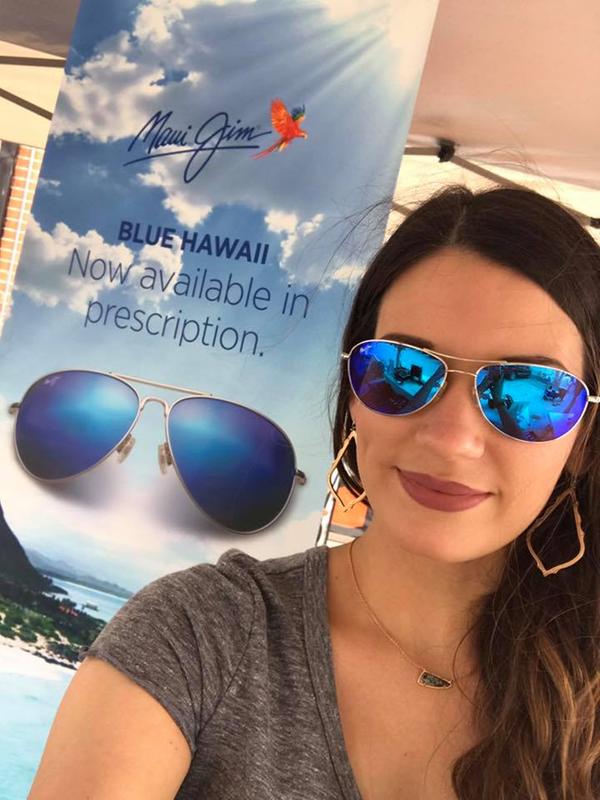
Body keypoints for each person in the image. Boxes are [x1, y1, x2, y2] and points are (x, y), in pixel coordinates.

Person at [27, 186, 600, 800]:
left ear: (585, 437)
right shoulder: (202, 635)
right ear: (353, 394)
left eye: (530, 393)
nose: (452, 440)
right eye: (402, 370)